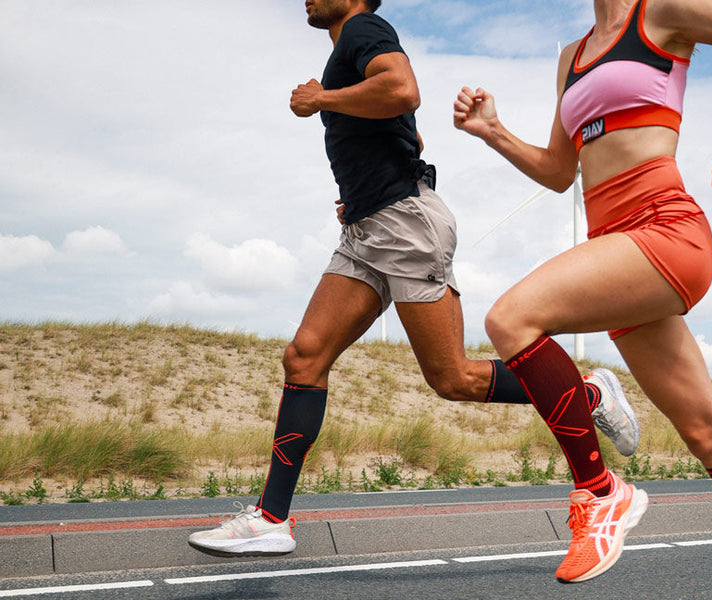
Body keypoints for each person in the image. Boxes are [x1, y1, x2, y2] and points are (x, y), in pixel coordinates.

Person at [187, 0, 641, 559]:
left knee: (452, 378)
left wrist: (319, 100)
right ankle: (270, 519)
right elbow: (411, 135)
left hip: (404, 225)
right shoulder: (350, 51)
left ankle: (590, 393)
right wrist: (360, 191)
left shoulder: (363, 29)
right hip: (367, 227)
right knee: (304, 356)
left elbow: (403, 91)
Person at [454, 0, 712, 596]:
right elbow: (561, 172)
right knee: (707, 433)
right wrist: (494, 132)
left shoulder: (662, 12)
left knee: (511, 318)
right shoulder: (572, 56)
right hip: (617, 252)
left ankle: (602, 494)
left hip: (665, 229)